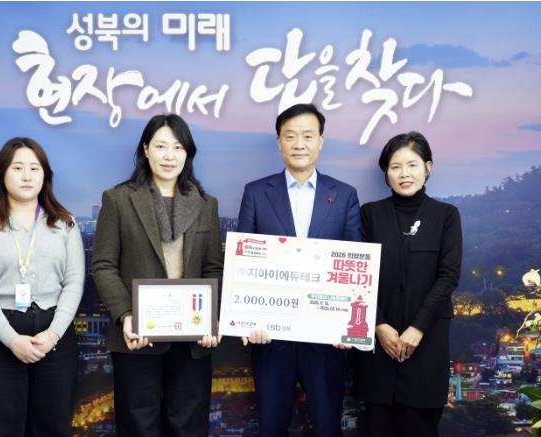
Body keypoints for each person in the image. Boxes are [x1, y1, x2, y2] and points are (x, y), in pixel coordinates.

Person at [91, 114, 223, 437]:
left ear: (187, 153)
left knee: (188, 426)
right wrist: (126, 315)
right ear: (146, 149)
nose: (169, 155)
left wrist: (212, 319)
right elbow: (103, 264)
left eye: (178, 147)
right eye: (161, 146)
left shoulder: (205, 204)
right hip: (138, 336)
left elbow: (213, 268)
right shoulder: (118, 200)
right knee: (139, 426)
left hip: (192, 340)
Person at [237, 103, 362, 437]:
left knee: (327, 427)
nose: (299, 144)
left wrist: (348, 326)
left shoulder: (344, 195)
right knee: (271, 427)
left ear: (320, 141)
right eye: (290, 136)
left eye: (307, 136)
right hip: (271, 337)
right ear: (279, 142)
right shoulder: (256, 193)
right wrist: (249, 319)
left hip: (327, 340)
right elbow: (243, 263)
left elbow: (355, 264)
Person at [0, 137, 85, 436]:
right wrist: (11, 340)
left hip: (54, 336)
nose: (27, 176)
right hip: (1, 337)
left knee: (53, 427)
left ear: (45, 175)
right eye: (18, 168)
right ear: (2, 174)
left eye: (34, 168)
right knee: (4, 428)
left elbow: (74, 282)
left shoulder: (65, 223)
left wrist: (53, 334)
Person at [353, 132, 462, 437]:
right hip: (379, 347)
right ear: (386, 173)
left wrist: (417, 328)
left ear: (428, 167)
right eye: (395, 167)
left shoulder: (446, 216)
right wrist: (378, 325)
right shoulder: (369, 214)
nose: (404, 174)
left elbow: (448, 276)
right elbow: (358, 274)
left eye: (412, 165)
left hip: (426, 343)